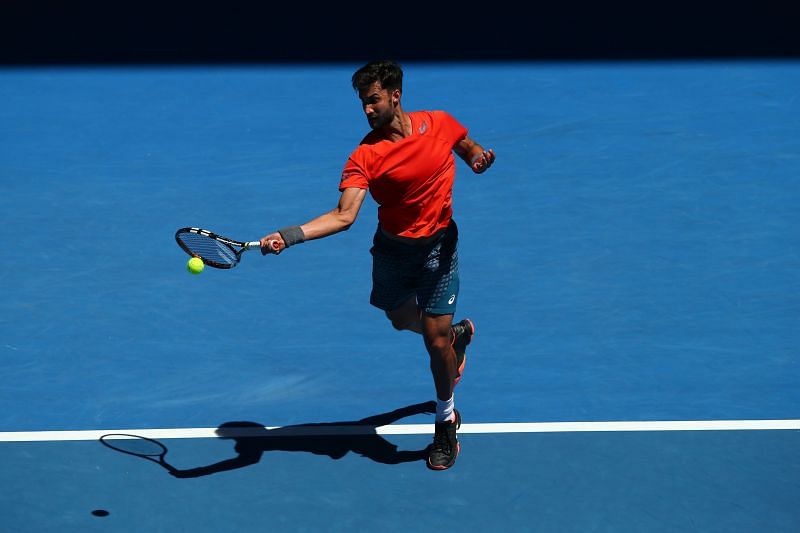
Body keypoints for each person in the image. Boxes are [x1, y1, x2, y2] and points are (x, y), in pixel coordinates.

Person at [260, 59, 495, 470]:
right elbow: (343, 215)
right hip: (392, 253)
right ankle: (457, 337)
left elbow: (466, 145)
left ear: (395, 96)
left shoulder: (439, 123)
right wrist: (290, 235)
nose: (367, 110)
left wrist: (476, 158)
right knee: (401, 318)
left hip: (440, 247)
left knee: (433, 342)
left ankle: (445, 422)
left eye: (373, 101)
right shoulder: (365, 156)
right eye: (363, 104)